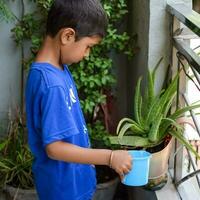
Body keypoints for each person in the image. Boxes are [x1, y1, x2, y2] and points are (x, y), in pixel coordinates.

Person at [25, 0, 132, 199]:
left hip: (71, 182)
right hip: (65, 190)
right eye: (88, 46)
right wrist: (109, 157)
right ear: (67, 36)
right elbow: (54, 148)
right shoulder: (52, 83)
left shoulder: (57, 70)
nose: (87, 54)